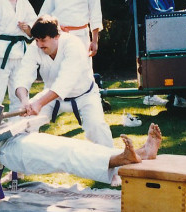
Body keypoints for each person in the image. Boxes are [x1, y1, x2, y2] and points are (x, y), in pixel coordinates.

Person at [0, 122, 163, 186]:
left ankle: (139, 153)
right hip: (8, 155)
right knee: (67, 155)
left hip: (16, 141)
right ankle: (120, 159)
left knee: (70, 146)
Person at [15, 15, 113, 148]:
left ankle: (112, 165)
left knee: (97, 128)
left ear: (56, 36)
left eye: (43, 40)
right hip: (52, 97)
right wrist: (24, 101)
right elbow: (23, 74)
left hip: (85, 96)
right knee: (24, 123)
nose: (39, 45)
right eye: (36, 40)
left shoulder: (73, 44)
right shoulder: (35, 47)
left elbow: (65, 81)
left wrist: (38, 103)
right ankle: (21, 167)